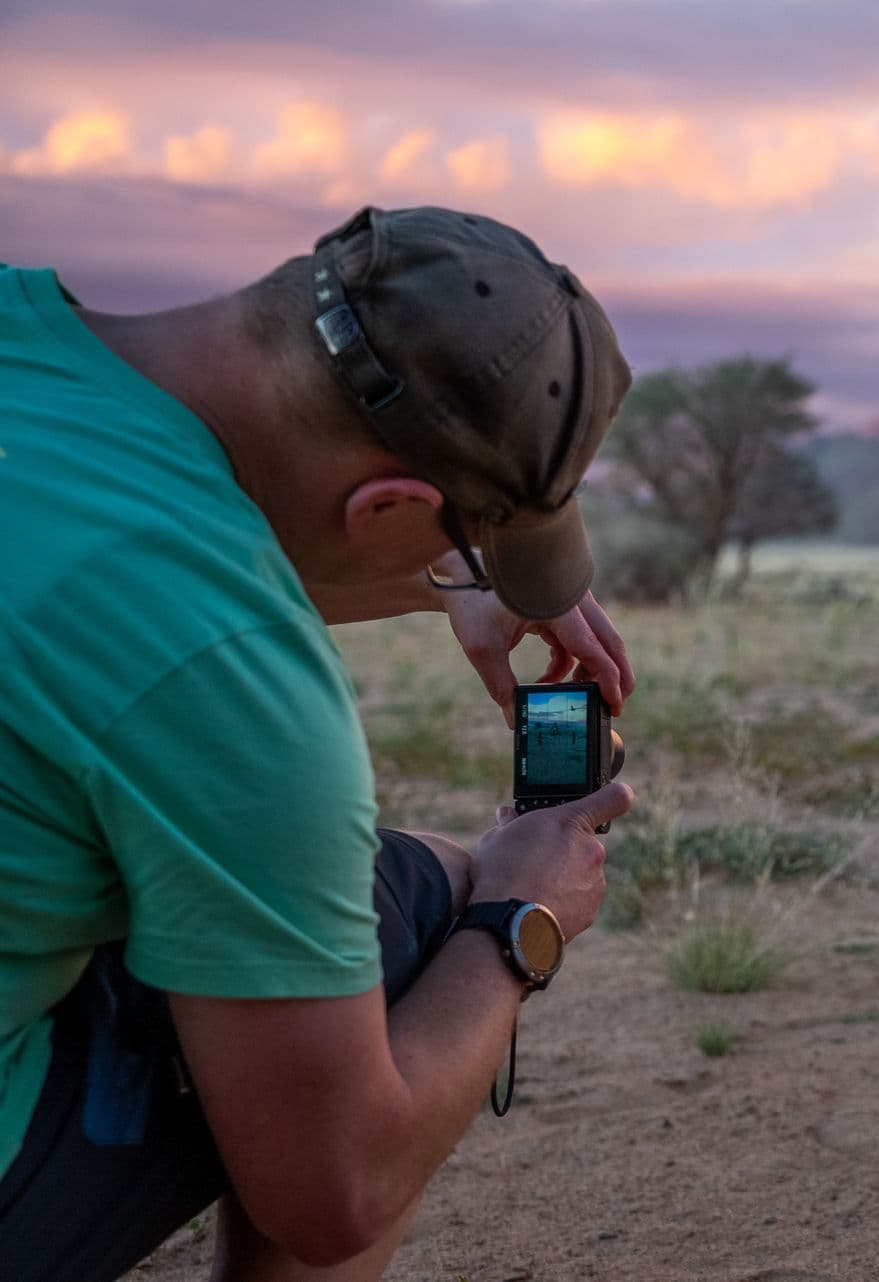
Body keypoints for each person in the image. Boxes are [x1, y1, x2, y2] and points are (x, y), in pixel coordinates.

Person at [0, 206, 641, 1280]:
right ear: (389, 503)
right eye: (472, 542)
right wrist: (516, 915)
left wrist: (446, 579)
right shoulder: (237, 686)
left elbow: (121, 563)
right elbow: (335, 1194)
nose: (470, 567)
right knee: (415, 904)